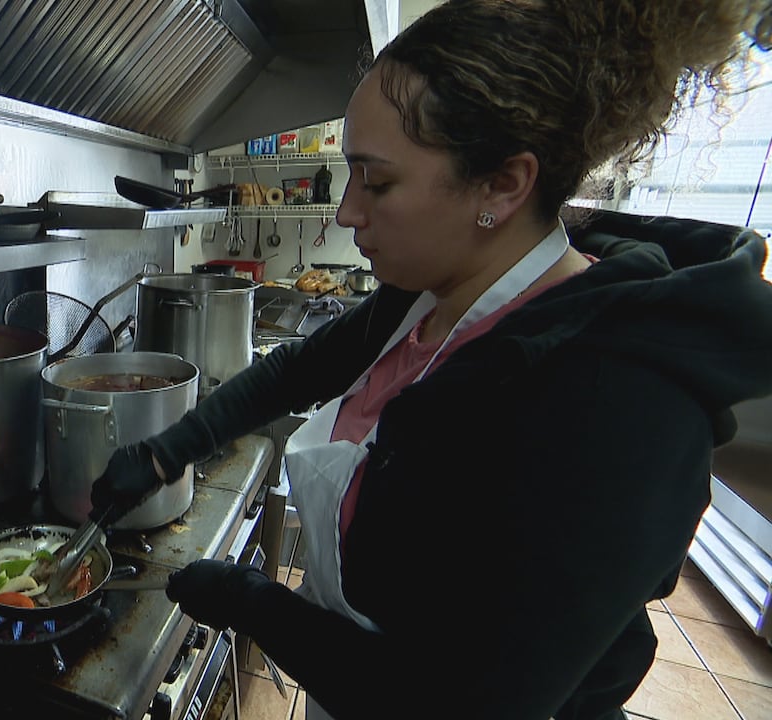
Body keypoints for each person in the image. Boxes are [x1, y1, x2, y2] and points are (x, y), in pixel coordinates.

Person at [88, 1, 772, 718]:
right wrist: (169, 451)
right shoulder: (424, 293)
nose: (348, 213)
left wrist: (254, 605)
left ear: (502, 185)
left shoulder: (617, 407)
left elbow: (457, 704)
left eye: (376, 182)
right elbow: (294, 371)